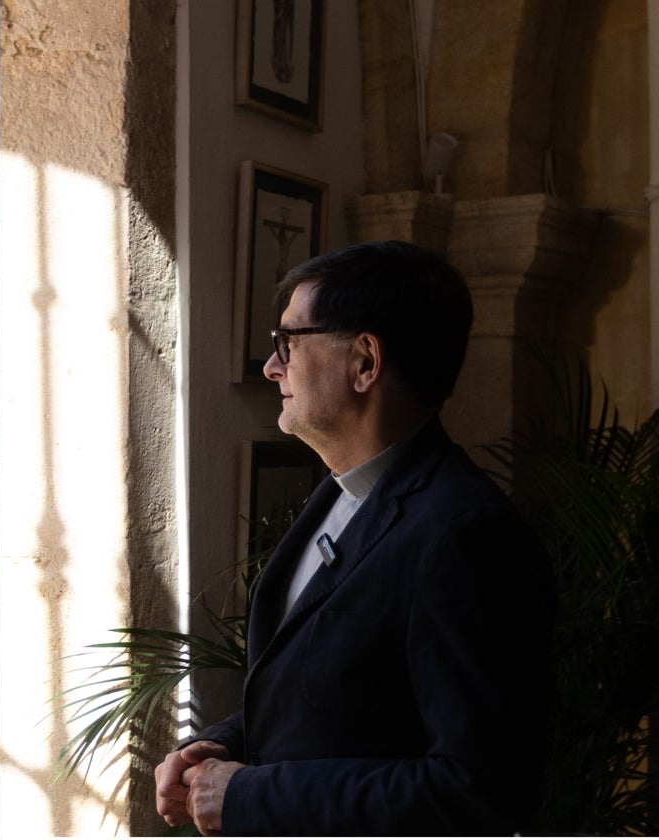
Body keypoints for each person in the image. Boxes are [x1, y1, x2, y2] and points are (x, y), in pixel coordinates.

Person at [154, 240, 554, 835]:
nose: (271, 367)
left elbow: (480, 791)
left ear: (366, 361)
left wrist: (252, 797)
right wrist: (217, 749)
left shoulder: (466, 534)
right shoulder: (338, 494)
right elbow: (343, 700)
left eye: (288, 343)